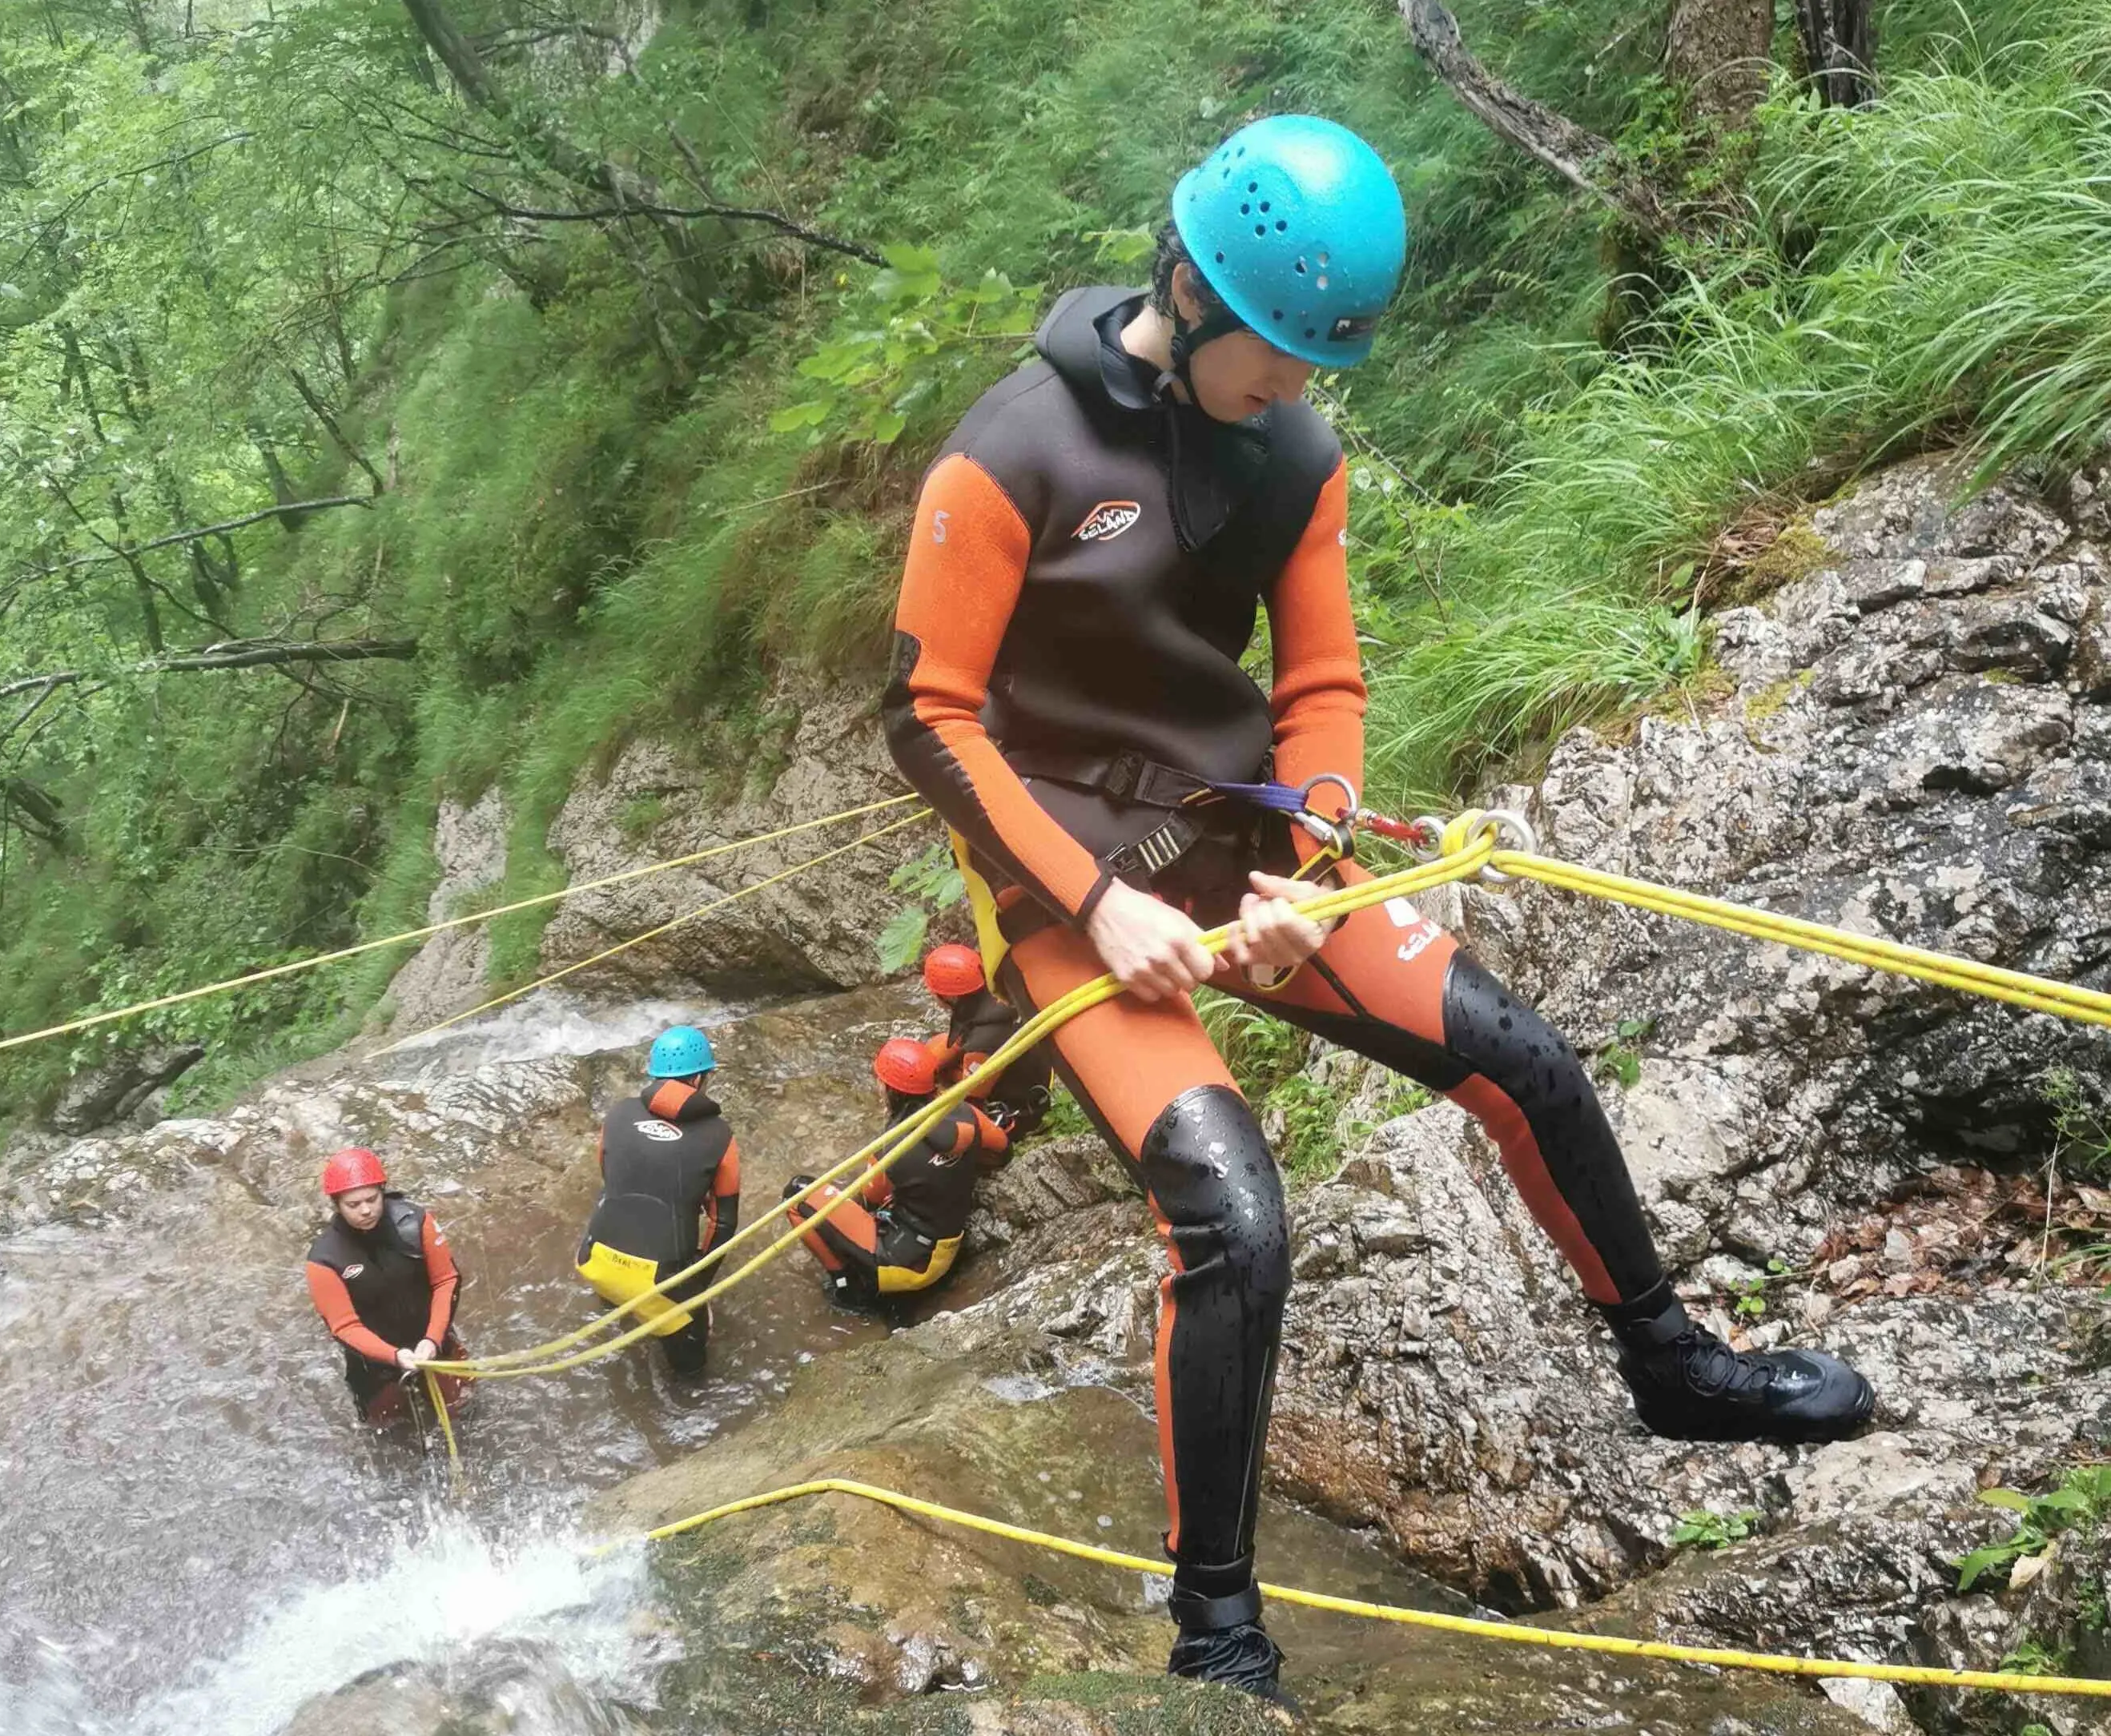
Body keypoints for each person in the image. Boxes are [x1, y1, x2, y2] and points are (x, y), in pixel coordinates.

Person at [881, 113, 1876, 1703]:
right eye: (1273, 352)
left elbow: (1323, 688)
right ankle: (1216, 1625)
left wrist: (1313, 856)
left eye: (1313, 359)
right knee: (1233, 1214)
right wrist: (1084, 897)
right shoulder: (1011, 456)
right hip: (1059, 889)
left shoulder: (1296, 459)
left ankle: (1672, 1361)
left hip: (1232, 841)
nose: (1294, 385)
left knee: (1520, 1055)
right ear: (1192, 292)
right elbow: (930, 717)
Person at [783, 1036, 1009, 1305]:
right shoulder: (967, 1113)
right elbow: (1003, 1150)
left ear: (889, 1088)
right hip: (947, 1244)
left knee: (797, 1195)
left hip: (905, 1264)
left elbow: (869, 1200)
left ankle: (846, 1285)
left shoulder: (888, 1147)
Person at [576, 1024, 742, 1376]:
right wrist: (697, 1289)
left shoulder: (618, 1114)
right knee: (691, 1374)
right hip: (658, 1284)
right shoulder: (720, 1136)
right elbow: (724, 1224)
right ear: (698, 1080)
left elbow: (609, 1178)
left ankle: (615, 1304)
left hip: (593, 1259)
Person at [304, 1147, 468, 1425]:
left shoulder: (416, 1223)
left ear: (383, 1192)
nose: (366, 1210)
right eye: (353, 1205)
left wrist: (432, 1340)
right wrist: (394, 1356)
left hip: (432, 1341)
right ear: (337, 1205)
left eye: (372, 1199)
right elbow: (344, 1326)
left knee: (463, 1407)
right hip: (373, 1364)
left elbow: (445, 1280)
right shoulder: (325, 1259)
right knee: (388, 1430)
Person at [919, 942, 1053, 1139]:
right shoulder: (998, 994)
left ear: (946, 996)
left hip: (1019, 1115)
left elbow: (971, 1098)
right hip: (1031, 1077)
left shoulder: (983, 1042)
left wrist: (943, 1078)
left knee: (938, 1092)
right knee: (935, 1050)